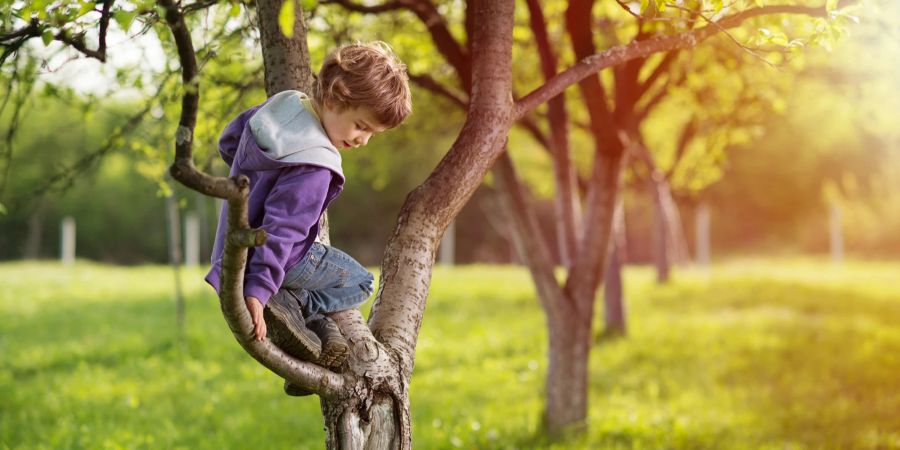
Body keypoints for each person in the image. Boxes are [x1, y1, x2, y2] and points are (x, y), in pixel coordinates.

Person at [204, 42, 412, 395]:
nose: (362, 140)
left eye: (371, 135)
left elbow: (230, 140)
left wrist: (256, 184)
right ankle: (296, 308)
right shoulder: (314, 166)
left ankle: (312, 331)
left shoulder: (282, 107)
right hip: (278, 259)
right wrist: (259, 287)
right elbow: (282, 231)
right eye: (361, 126)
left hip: (232, 246)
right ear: (335, 97)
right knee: (360, 282)